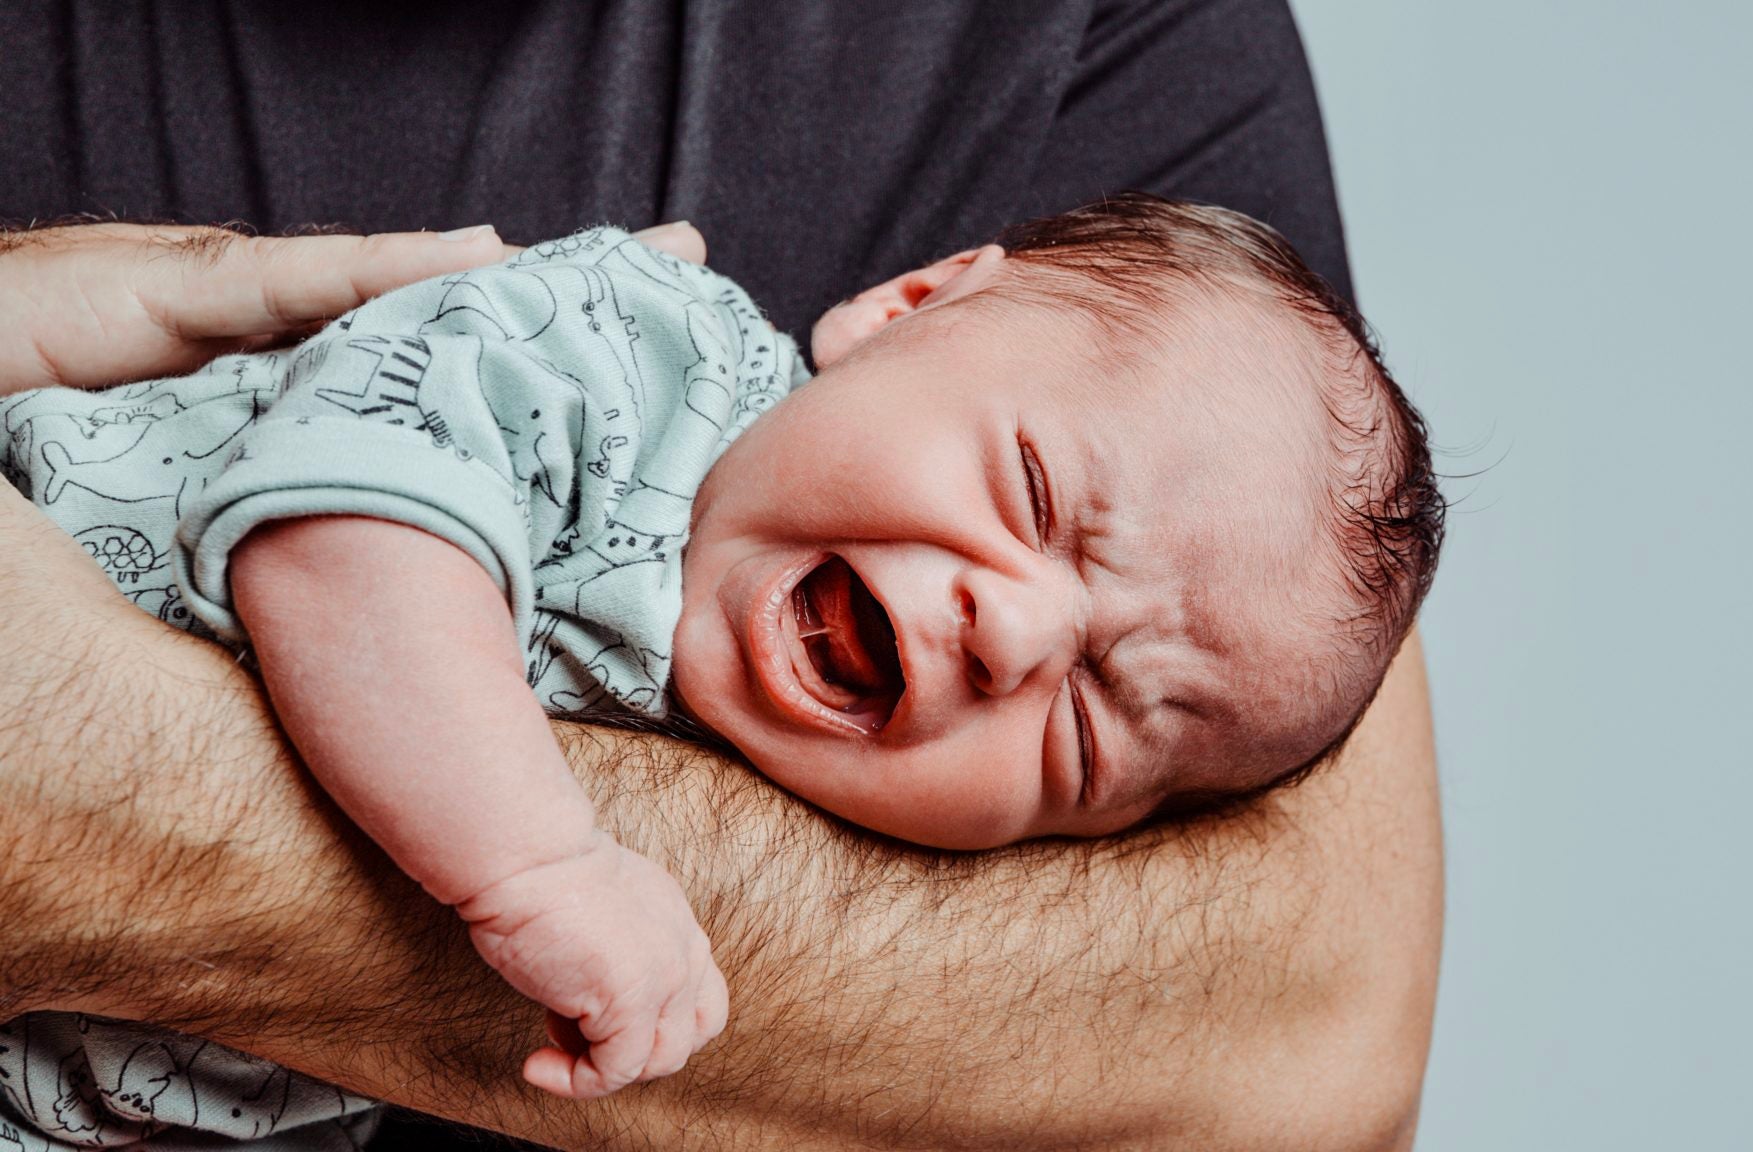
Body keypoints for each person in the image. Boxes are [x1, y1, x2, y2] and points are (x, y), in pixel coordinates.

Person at [0, 3, 1443, 1149]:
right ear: (904, 309)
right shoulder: (638, 356)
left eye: (1080, 731)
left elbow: (1313, 1050)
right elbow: (342, 539)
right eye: (1035, 497)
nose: (1013, 632)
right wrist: (541, 867)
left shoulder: (1122, 38)